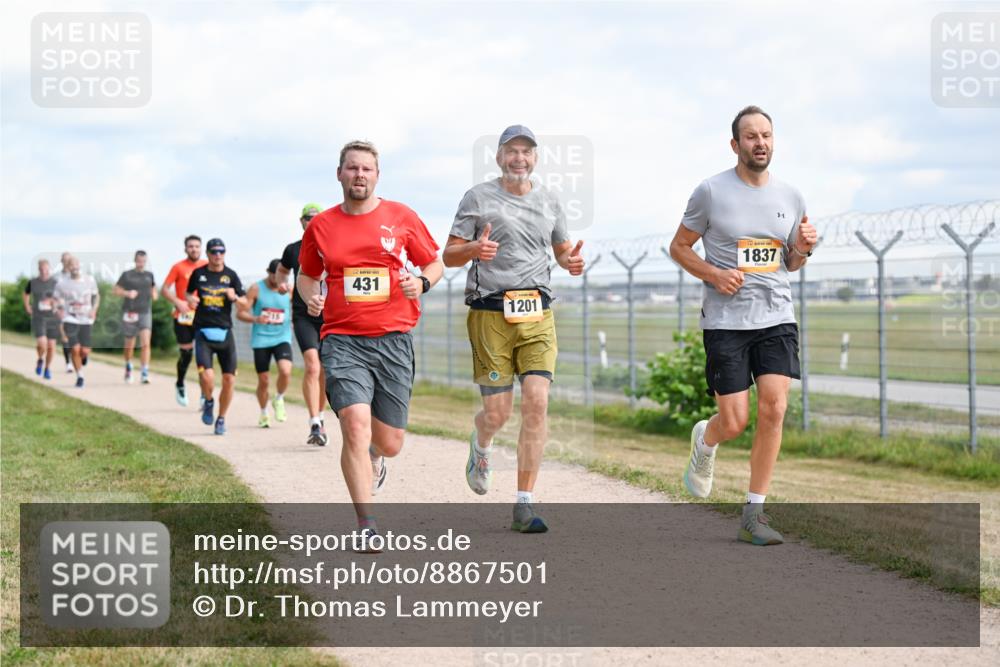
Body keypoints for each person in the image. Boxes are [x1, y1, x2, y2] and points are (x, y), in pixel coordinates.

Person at [668, 105, 817, 546]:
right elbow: (679, 247)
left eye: (766, 135)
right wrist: (713, 274)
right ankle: (706, 439)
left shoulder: (791, 196)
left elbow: (789, 261)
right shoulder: (711, 192)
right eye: (751, 136)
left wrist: (805, 249)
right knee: (734, 421)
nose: (760, 143)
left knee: (774, 409)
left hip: (776, 316)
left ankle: (754, 514)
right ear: (735, 145)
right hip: (726, 322)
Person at [443, 125, 585, 534]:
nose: (519, 158)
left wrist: (571, 263)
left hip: (538, 312)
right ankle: (482, 443)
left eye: (526, 151)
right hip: (490, 314)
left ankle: (524, 503)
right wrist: (474, 249)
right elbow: (449, 255)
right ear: (499, 157)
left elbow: (560, 251)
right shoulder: (478, 198)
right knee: (497, 413)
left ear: (535, 158)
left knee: (537, 403)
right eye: (511, 151)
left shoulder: (550, 199)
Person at [298, 140, 442, 543]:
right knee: (354, 424)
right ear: (339, 173)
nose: (359, 175)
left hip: (393, 339)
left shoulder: (401, 216)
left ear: (376, 175)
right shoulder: (321, 226)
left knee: (389, 442)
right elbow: (307, 274)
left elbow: (434, 261)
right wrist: (309, 294)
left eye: (366, 169)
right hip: (342, 340)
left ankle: (377, 459)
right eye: (352, 168)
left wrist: (422, 281)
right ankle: (366, 525)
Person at [278, 203, 329, 445]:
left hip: (331, 316)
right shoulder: (293, 249)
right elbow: (282, 271)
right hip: (303, 314)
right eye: (308, 218)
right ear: (302, 222)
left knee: (326, 369)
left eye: (316, 218)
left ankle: (321, 414)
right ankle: (314, 422)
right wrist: (282, 284)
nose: (312, 221)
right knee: (312, 365)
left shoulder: (334, 244)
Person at [186, 238, 247, 435]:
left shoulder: (231, 276)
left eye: (221, 251)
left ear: (225, 253)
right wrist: (191, 299)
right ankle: (209, 400)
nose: (217, 255)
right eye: (214, 251)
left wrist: (235, 297)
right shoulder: (199, 274)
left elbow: (245, 304)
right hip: (203, 332)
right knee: (208, 377)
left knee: (229, 380)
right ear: (208, 253)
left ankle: (221, 418)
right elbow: (188, 294)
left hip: (225, 334)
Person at [237, 259, 293, 428]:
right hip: (261, 338)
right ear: (269, 273)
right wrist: (256, 318)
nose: (281, 278)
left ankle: (279, 398)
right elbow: (240, 313)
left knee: (285, 371)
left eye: (285, 275)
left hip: (282, 337)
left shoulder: (291, 291)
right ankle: (263, 413)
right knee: (264, 380)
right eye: (277, 274)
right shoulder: (256, 288)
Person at [162, 235, 208, 405]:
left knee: (204, 356)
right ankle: (180, 383)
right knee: (187, 354)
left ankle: (205, 393)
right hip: (182, 317)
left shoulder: (206, 265)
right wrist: (178, 302)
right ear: (185, 248)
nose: (194, 249)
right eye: (190, 246)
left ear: (201, 248)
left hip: (203, 316)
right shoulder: (178, 267)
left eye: (197, 246)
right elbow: (164, 289)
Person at [54, 256, 100, 388]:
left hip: (86, 318)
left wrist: (94, 309)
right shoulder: (62, 283)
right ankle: (80, 376)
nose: (74, 267)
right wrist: (58, 311)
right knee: (74, 349)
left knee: (84, 350)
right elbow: (55, 299)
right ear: (67, 267)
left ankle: (84, 357)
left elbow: (96, 296)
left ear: (79, 265)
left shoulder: (89, 280)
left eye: (75, 264)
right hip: (70, 318)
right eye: (70, 265)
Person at [113, 250, 157, 384]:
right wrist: (127, 293)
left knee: (145, 343)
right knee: (129, 345)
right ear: (135, 260)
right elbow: (115, 290)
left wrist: (154, 294)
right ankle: (128, 366)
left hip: (145, 312)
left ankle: (144, 372)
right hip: (130, 312)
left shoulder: (150, 275)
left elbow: (153, 289)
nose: (141, 263)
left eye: (143, 261)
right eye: (139, 261)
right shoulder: (127, 275)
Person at [22, 258, 60, 380]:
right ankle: (40, 359)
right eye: (42, 269)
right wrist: (27, 305)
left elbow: (61, 299)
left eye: (46, 269)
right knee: (42, 344)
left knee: (51, 346)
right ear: (39, 270)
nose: (44, 272)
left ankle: (47, 368)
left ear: (49, 269)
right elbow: (25, 293)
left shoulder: (55, 283)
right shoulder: (33, 282)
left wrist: (53, 302)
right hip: (38, 316)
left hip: (52, 317)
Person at [58, 252, 75, 373]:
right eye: (64, 260)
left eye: (69, 260)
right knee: (65, 337)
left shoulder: (78, 276)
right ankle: (68, 363)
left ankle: (81, 357)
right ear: (61, 261)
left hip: (76, 310)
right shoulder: (56, 277)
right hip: (61, 309)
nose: (67, 262)